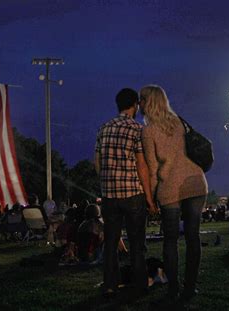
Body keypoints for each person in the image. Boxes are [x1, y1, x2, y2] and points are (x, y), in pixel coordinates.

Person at [139, 85, 208, 301]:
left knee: (170, 241)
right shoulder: (178, 122)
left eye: (141, 99)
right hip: (196, 182)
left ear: (147, 102)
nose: (139, 103)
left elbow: (152, 168)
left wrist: (150, 198)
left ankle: (173, 288)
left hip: (170, 186)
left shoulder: (148, 131)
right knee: (192, 237)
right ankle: (190, 286)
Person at [94, 88, 156, 298]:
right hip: (132, 194)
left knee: (111, 243)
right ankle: (140, 285)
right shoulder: (136, 129)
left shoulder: (104, 128)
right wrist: (149, 197)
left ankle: (110, 284)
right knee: (137, 243)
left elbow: (98, 163)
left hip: (110, 195)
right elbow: (142, 165)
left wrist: (106, 182)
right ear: (135, 105)